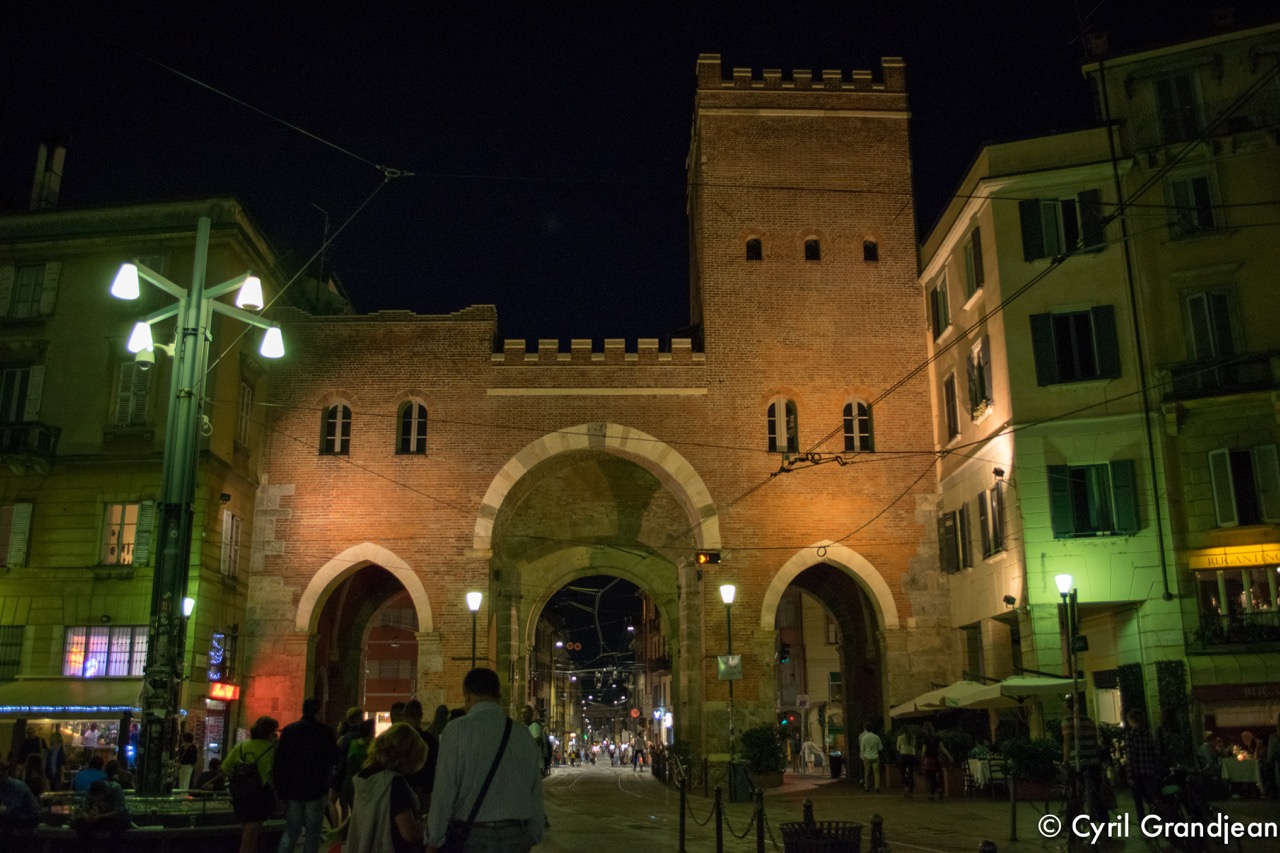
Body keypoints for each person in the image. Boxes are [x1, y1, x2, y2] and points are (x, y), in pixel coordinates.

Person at [426, 668, 545, 853]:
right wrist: (534, 833)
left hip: (472, 836)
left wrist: (434, 838)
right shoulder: (522, 732)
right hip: (517, 835)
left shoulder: (456, 730)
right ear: (498, 696)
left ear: (467, 694)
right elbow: (534, 787)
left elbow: (444, 790)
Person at [347, 723, 429, 853]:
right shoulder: (393, 782)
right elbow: (409, 833)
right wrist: (426, 823)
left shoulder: (364, 776)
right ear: (408, 754)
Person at [275, 696, 343, 853]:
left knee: (291, 831)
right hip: (316, 788)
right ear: (319, 711)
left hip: (293, 788)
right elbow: (335, 756)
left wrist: (281, 790)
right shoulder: (325, 731)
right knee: (313, 833)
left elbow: (279, 762)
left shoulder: (290, 730)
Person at [223, 715, 280, 853]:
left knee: (248, 831)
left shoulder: (241, 746)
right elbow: (275, 774)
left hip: (240, 794)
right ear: (269, 732)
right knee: (251, 835)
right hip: (260, 794)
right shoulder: (271, 750)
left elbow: (225, 768)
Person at [1061, 696, 1107, 822]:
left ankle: (1072, 822)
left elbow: (1067, 742)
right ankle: (1104, 823)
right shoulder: (1089, 721)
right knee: (1097, 794)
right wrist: (1098, 759)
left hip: (1077, 763)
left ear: (1067, 706)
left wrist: (1065, 761)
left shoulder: (1067, 721)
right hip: (1093, 761)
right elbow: (1095, 743)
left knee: (1074, 793)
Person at [1123, 709, 1163, 820]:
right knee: (1151, 798)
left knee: (1139, 802)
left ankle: (1143, 823)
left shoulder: (1131, 736)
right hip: (1149, 771)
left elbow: (1131, 757)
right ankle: (1157, 819)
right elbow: (1154, 753)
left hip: (1137, 773)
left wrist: (1129, 775)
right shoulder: (1147, 735)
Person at [73, 778, 130, 852]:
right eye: (94, 797)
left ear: (105, 793)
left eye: (99, 797)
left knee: (117, 829)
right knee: (80, 824)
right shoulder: (91, 789)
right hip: (101, 818)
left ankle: (111, 850)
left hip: (117, 818)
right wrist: (87, 817)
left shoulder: (116, 788)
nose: (97, 799)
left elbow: (119, 810)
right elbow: (84, 808)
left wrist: (101, 816)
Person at [403, 698, 440, 812]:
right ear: (421, 716)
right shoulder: (430, 740)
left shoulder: (399, 740)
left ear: (404, 716)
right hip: (425, 792)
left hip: (403, 791)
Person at [0, 759, 42, 844]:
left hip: (29, 819)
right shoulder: (4, 787)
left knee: (6, 822)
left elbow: (11, 811)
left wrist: (3, 809)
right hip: (19, 818)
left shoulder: (16, 786)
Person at [919, 722, 950, 801]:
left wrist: (921, 758)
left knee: (930, 777)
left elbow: (924, 750)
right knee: (934, 776)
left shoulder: (925, 739)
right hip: (936, 759)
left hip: (928, 760)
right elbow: (942, 748)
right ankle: (932, 794)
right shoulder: (937, 737)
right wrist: (949, 756)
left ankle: (936, 790)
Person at [519, 705, 551, 777]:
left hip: (534, 764)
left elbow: (535, 742)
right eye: (522, 713)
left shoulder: (534, 726)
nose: (523, 716)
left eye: (525, 713)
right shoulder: (527, 727)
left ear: (531, 714)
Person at [858, 722, 882, 793]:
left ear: (865, 728)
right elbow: (880, 747)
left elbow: (862, 749)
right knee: (876, 773)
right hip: (875, 756)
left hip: (867, 756)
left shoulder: (864, 738)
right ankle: (877, 787)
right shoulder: (876, 737)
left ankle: (867, 787)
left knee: (867, 773)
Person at [895, 728, 918, 798]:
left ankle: (905, 788)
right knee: (911, 773)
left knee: (903, 773)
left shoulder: (900, 737)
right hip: (912, 755)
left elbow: (898, 748)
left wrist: (902, 749)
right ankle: (911, 791)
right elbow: (914, 746)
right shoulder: (913, 737)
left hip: (903, 755)